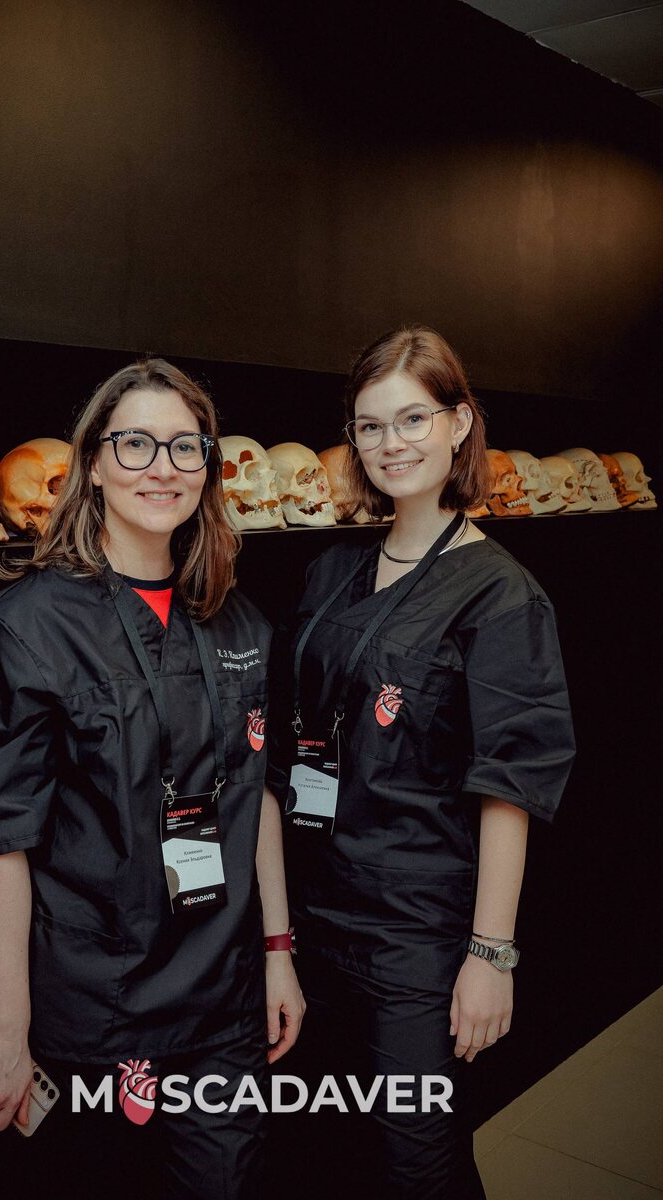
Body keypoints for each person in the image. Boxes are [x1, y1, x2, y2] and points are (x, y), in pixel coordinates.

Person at [0, 358, 304, 1200]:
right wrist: (8, 1026)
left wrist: (278, 953)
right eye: (135, 443)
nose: (161, 467)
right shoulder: (22, 629)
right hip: (95, 1003)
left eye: (185, 446)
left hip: (222, 1000)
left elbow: (258, 798)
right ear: (95, 463)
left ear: (207, 467)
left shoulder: (240, 621)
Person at [270, 327, 575, 1199]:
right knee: (326, 1150)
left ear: (459, 423)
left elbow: (510, 784)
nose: (391, 443)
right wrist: (278, 937)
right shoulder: (331, 569)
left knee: (417, 1160)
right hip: (315, 915)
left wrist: (491, 954)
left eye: (412, 419)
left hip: (416, 936)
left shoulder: (500, 594)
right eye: (369, 426)